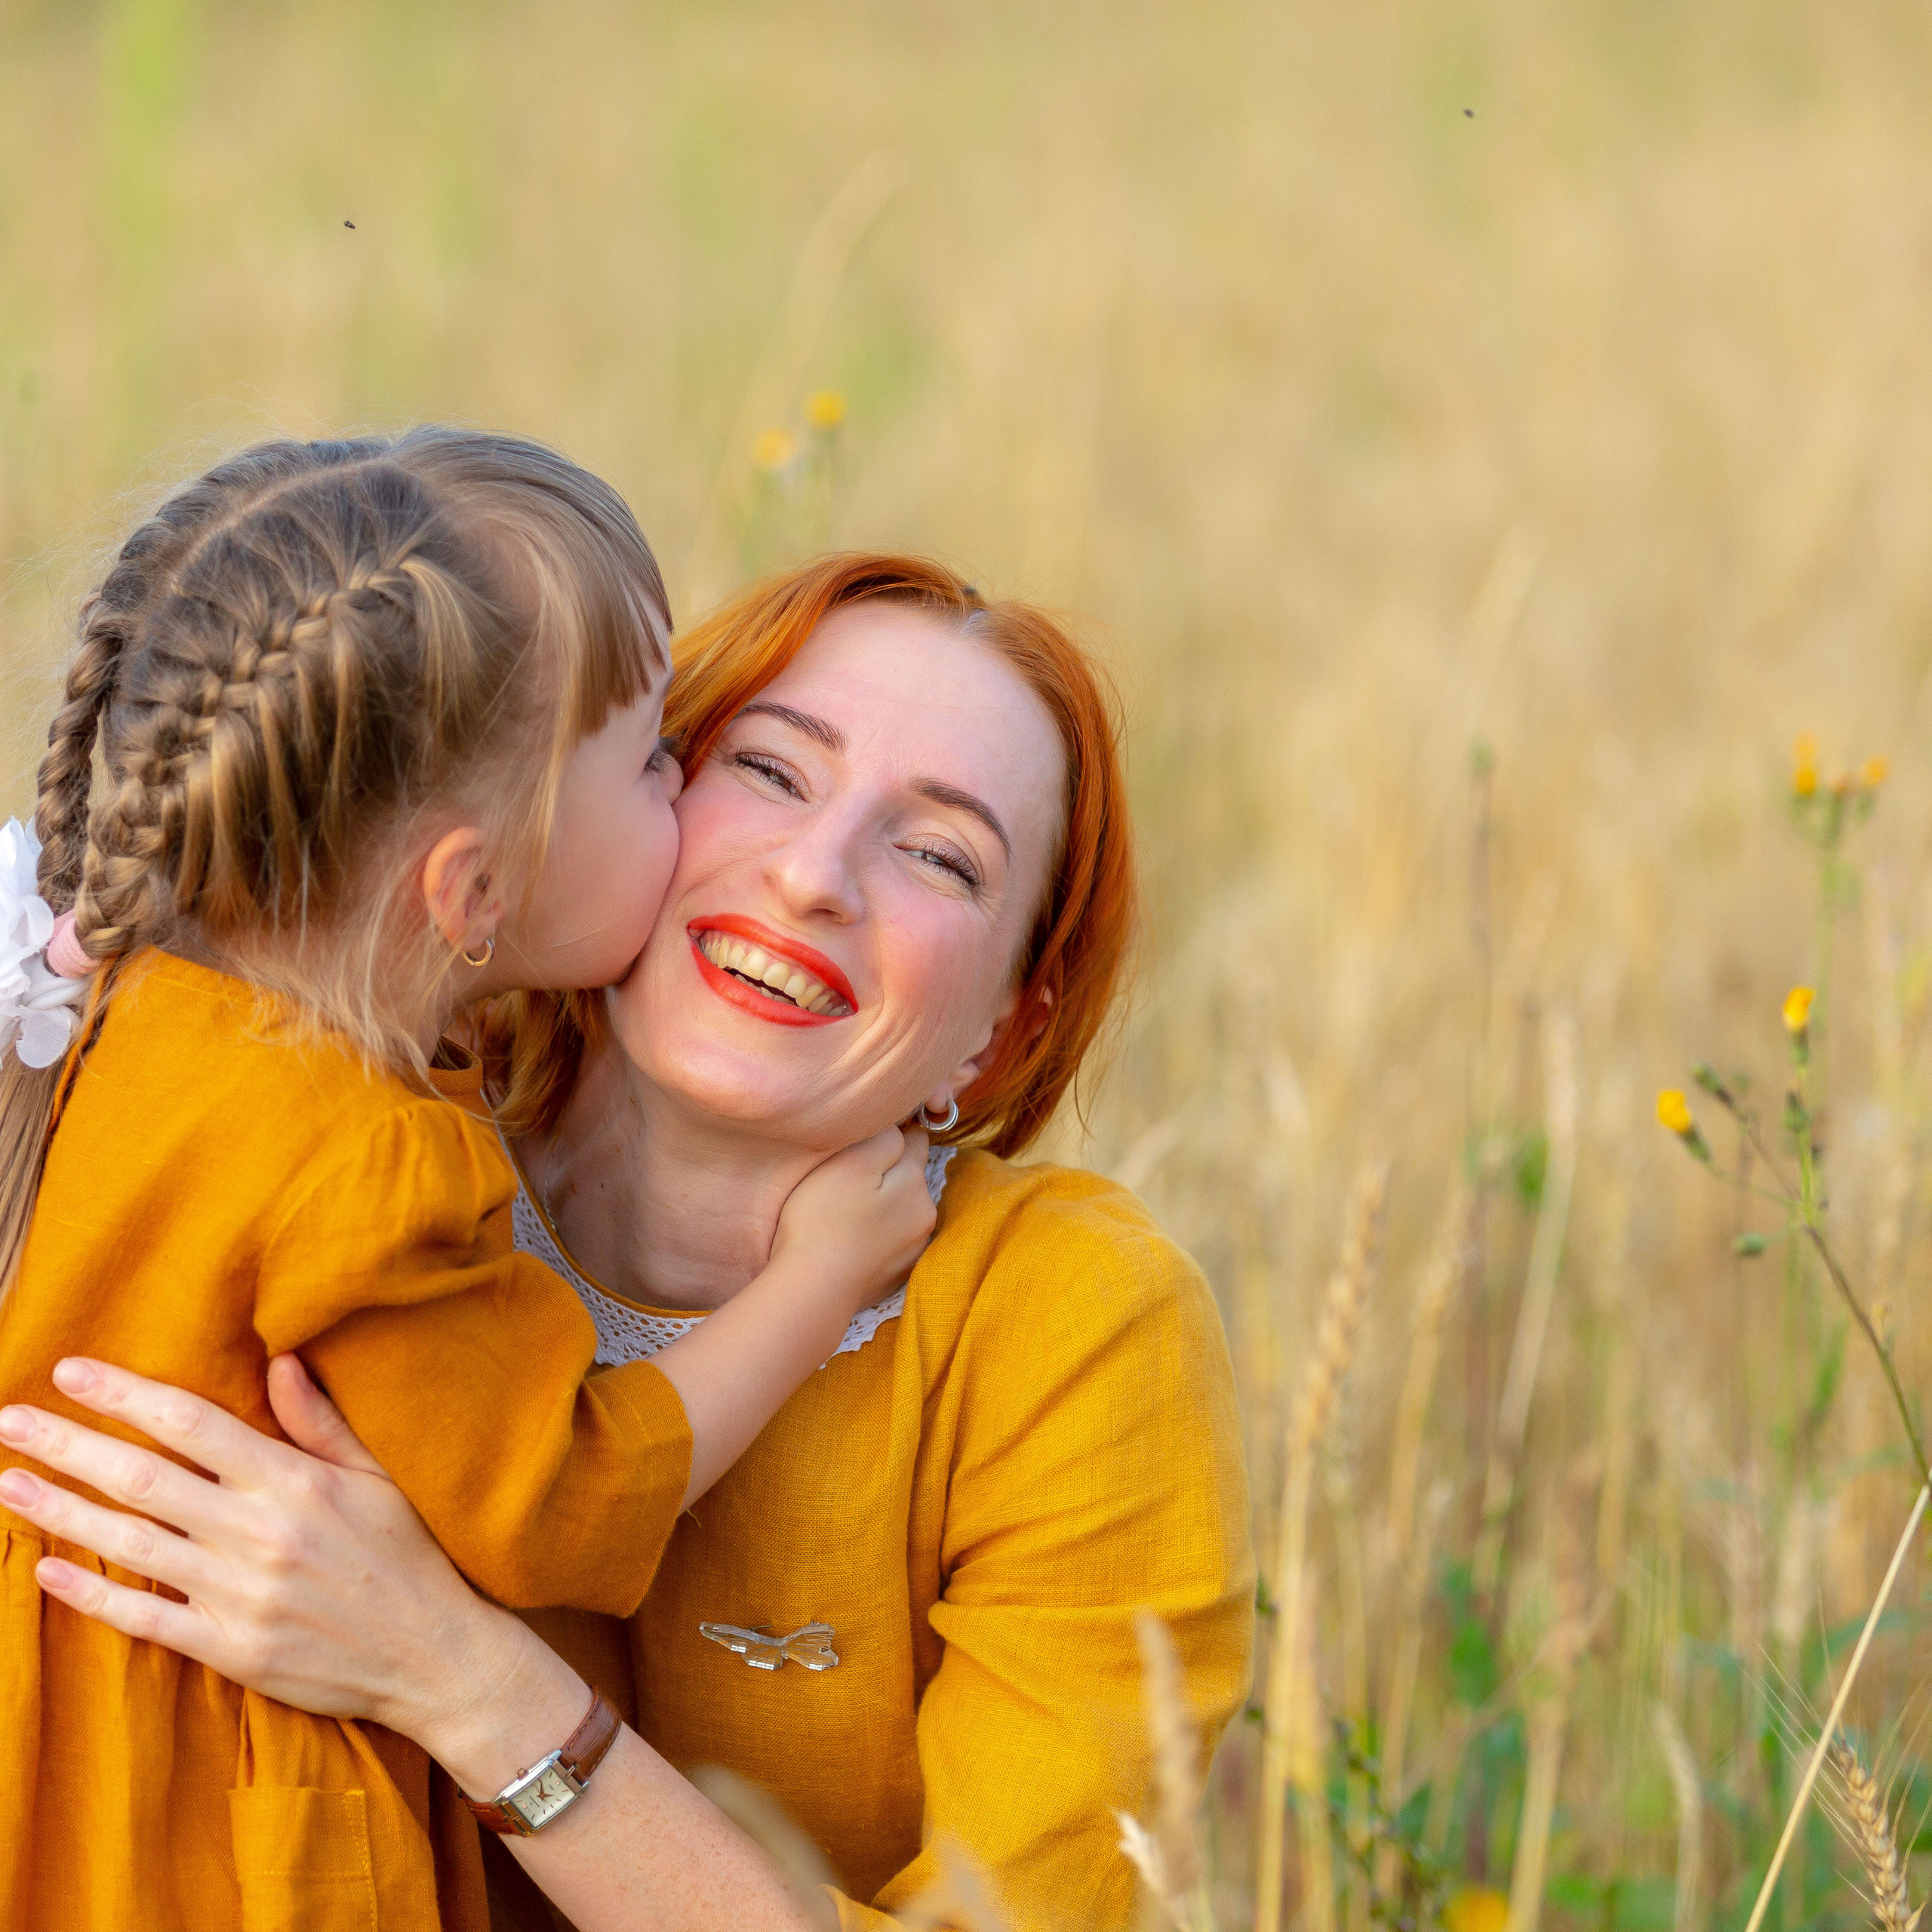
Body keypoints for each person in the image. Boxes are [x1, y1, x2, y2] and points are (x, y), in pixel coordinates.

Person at [2, 554, 1255, 1930]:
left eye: (940, 855)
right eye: (770, 770)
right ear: (611, 799)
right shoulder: (342, 1144)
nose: (813, 874)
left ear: (1004, 1029)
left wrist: (459, 1676)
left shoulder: (1072, 1319)